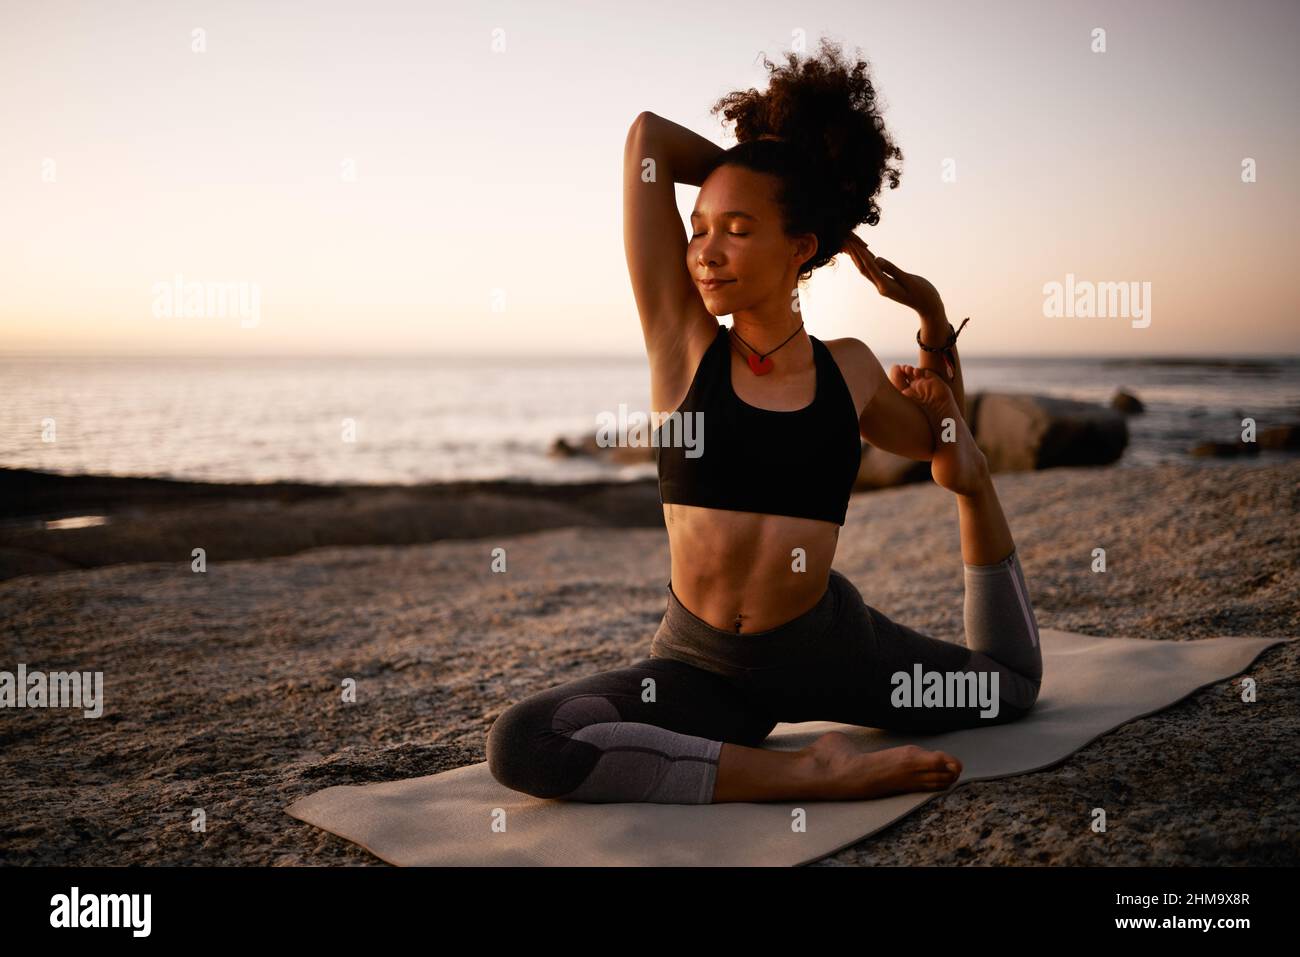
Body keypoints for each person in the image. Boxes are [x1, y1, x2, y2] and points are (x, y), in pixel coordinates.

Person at [486, 37, 1042, 804]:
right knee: (526, 742)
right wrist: (773, 175)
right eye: (700, 227)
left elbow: (950, 447)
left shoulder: (848, 369)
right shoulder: (681, 344)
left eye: (738, 228)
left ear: (801, 246)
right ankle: (803, 772)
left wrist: (932, 317)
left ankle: (765, 767)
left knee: (1007, 690)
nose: (706, 252)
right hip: (700, 670)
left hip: (830, 652)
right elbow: (646, 138)